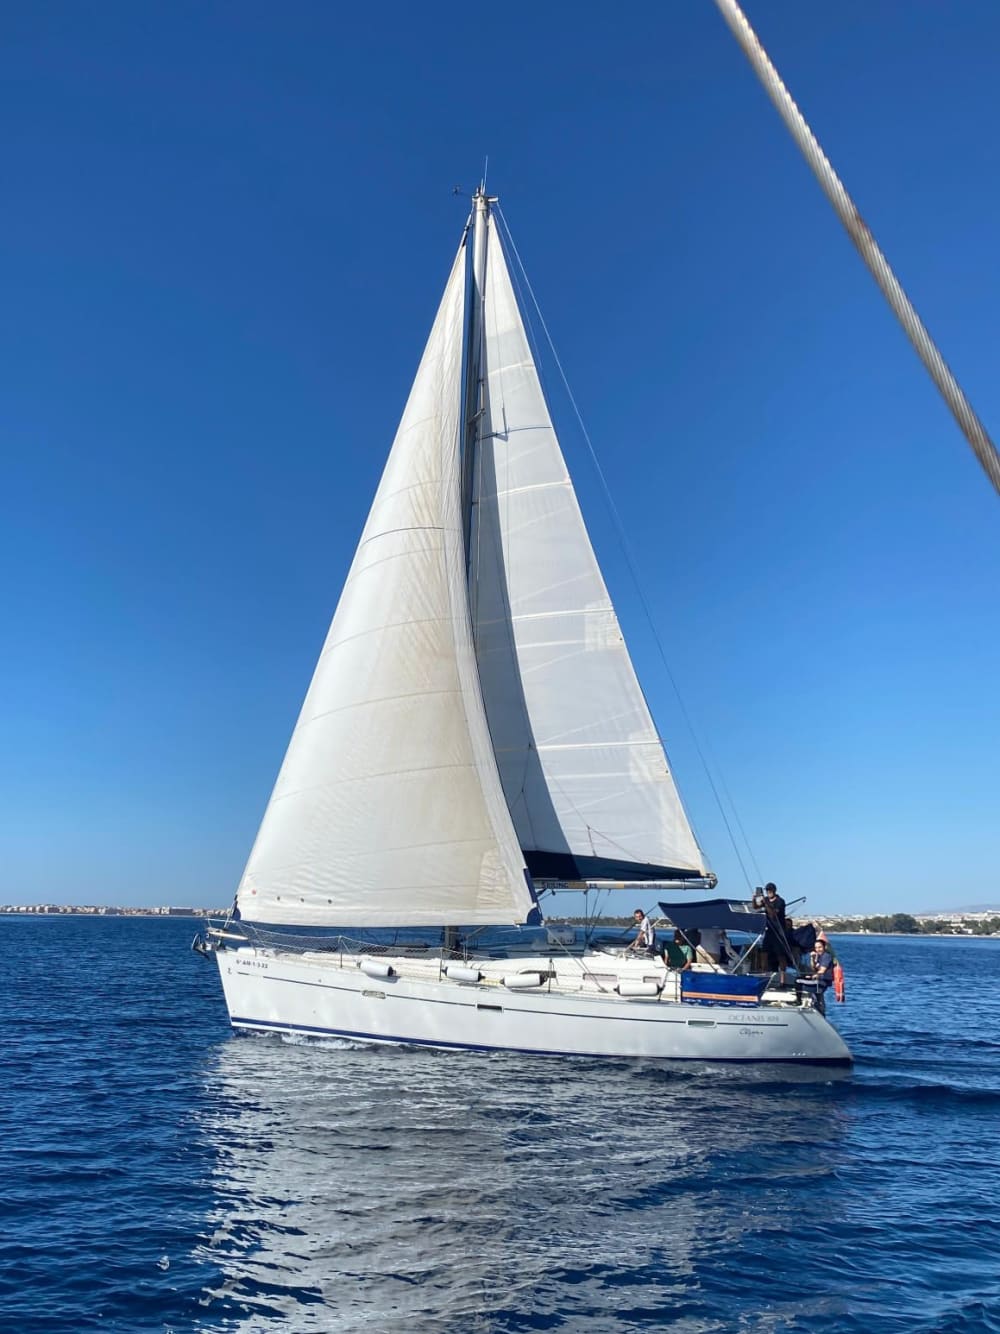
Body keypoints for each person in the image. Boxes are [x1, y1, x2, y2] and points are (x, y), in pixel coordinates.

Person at [754, 882, 791, 987]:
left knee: (780, 956)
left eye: (770, 890)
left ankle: (782, 980)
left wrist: (766, 903)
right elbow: (755, 907)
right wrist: (754, 898)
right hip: (769, 931)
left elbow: (773, 914)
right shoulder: (766, 900)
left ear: (774, 891)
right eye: (767, 890)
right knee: (764, 954)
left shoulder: (780, 901)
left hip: (779, 932)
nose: (769, 892)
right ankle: (764, 977)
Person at [810, 932, 835, 1014]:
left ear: (824, 947)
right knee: (818, 996)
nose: (818, 949)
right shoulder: (819, 956)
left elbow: (822, 970)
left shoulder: (826, 956)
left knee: (817, 994)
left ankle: (820, 1011)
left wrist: (814, 976)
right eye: (816, 948)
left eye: (820, 947)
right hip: (819, 979)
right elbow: (813, 968)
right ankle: (819, 1010)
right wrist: (812, 958)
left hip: (824, 980)